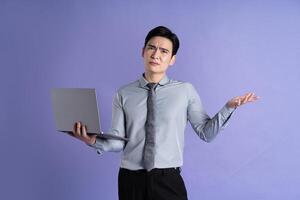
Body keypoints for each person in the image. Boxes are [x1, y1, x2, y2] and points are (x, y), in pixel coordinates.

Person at [71, 26, 259, 200]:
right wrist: (90, 140)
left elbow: (206, 133)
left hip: (167, 179)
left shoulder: (185, 91)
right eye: (151, 48)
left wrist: (229, 107)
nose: (156, 55)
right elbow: (117, 142)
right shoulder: (123, 93)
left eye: (164, 51)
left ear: (172, 59)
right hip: (130, 180)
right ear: (143, 51)